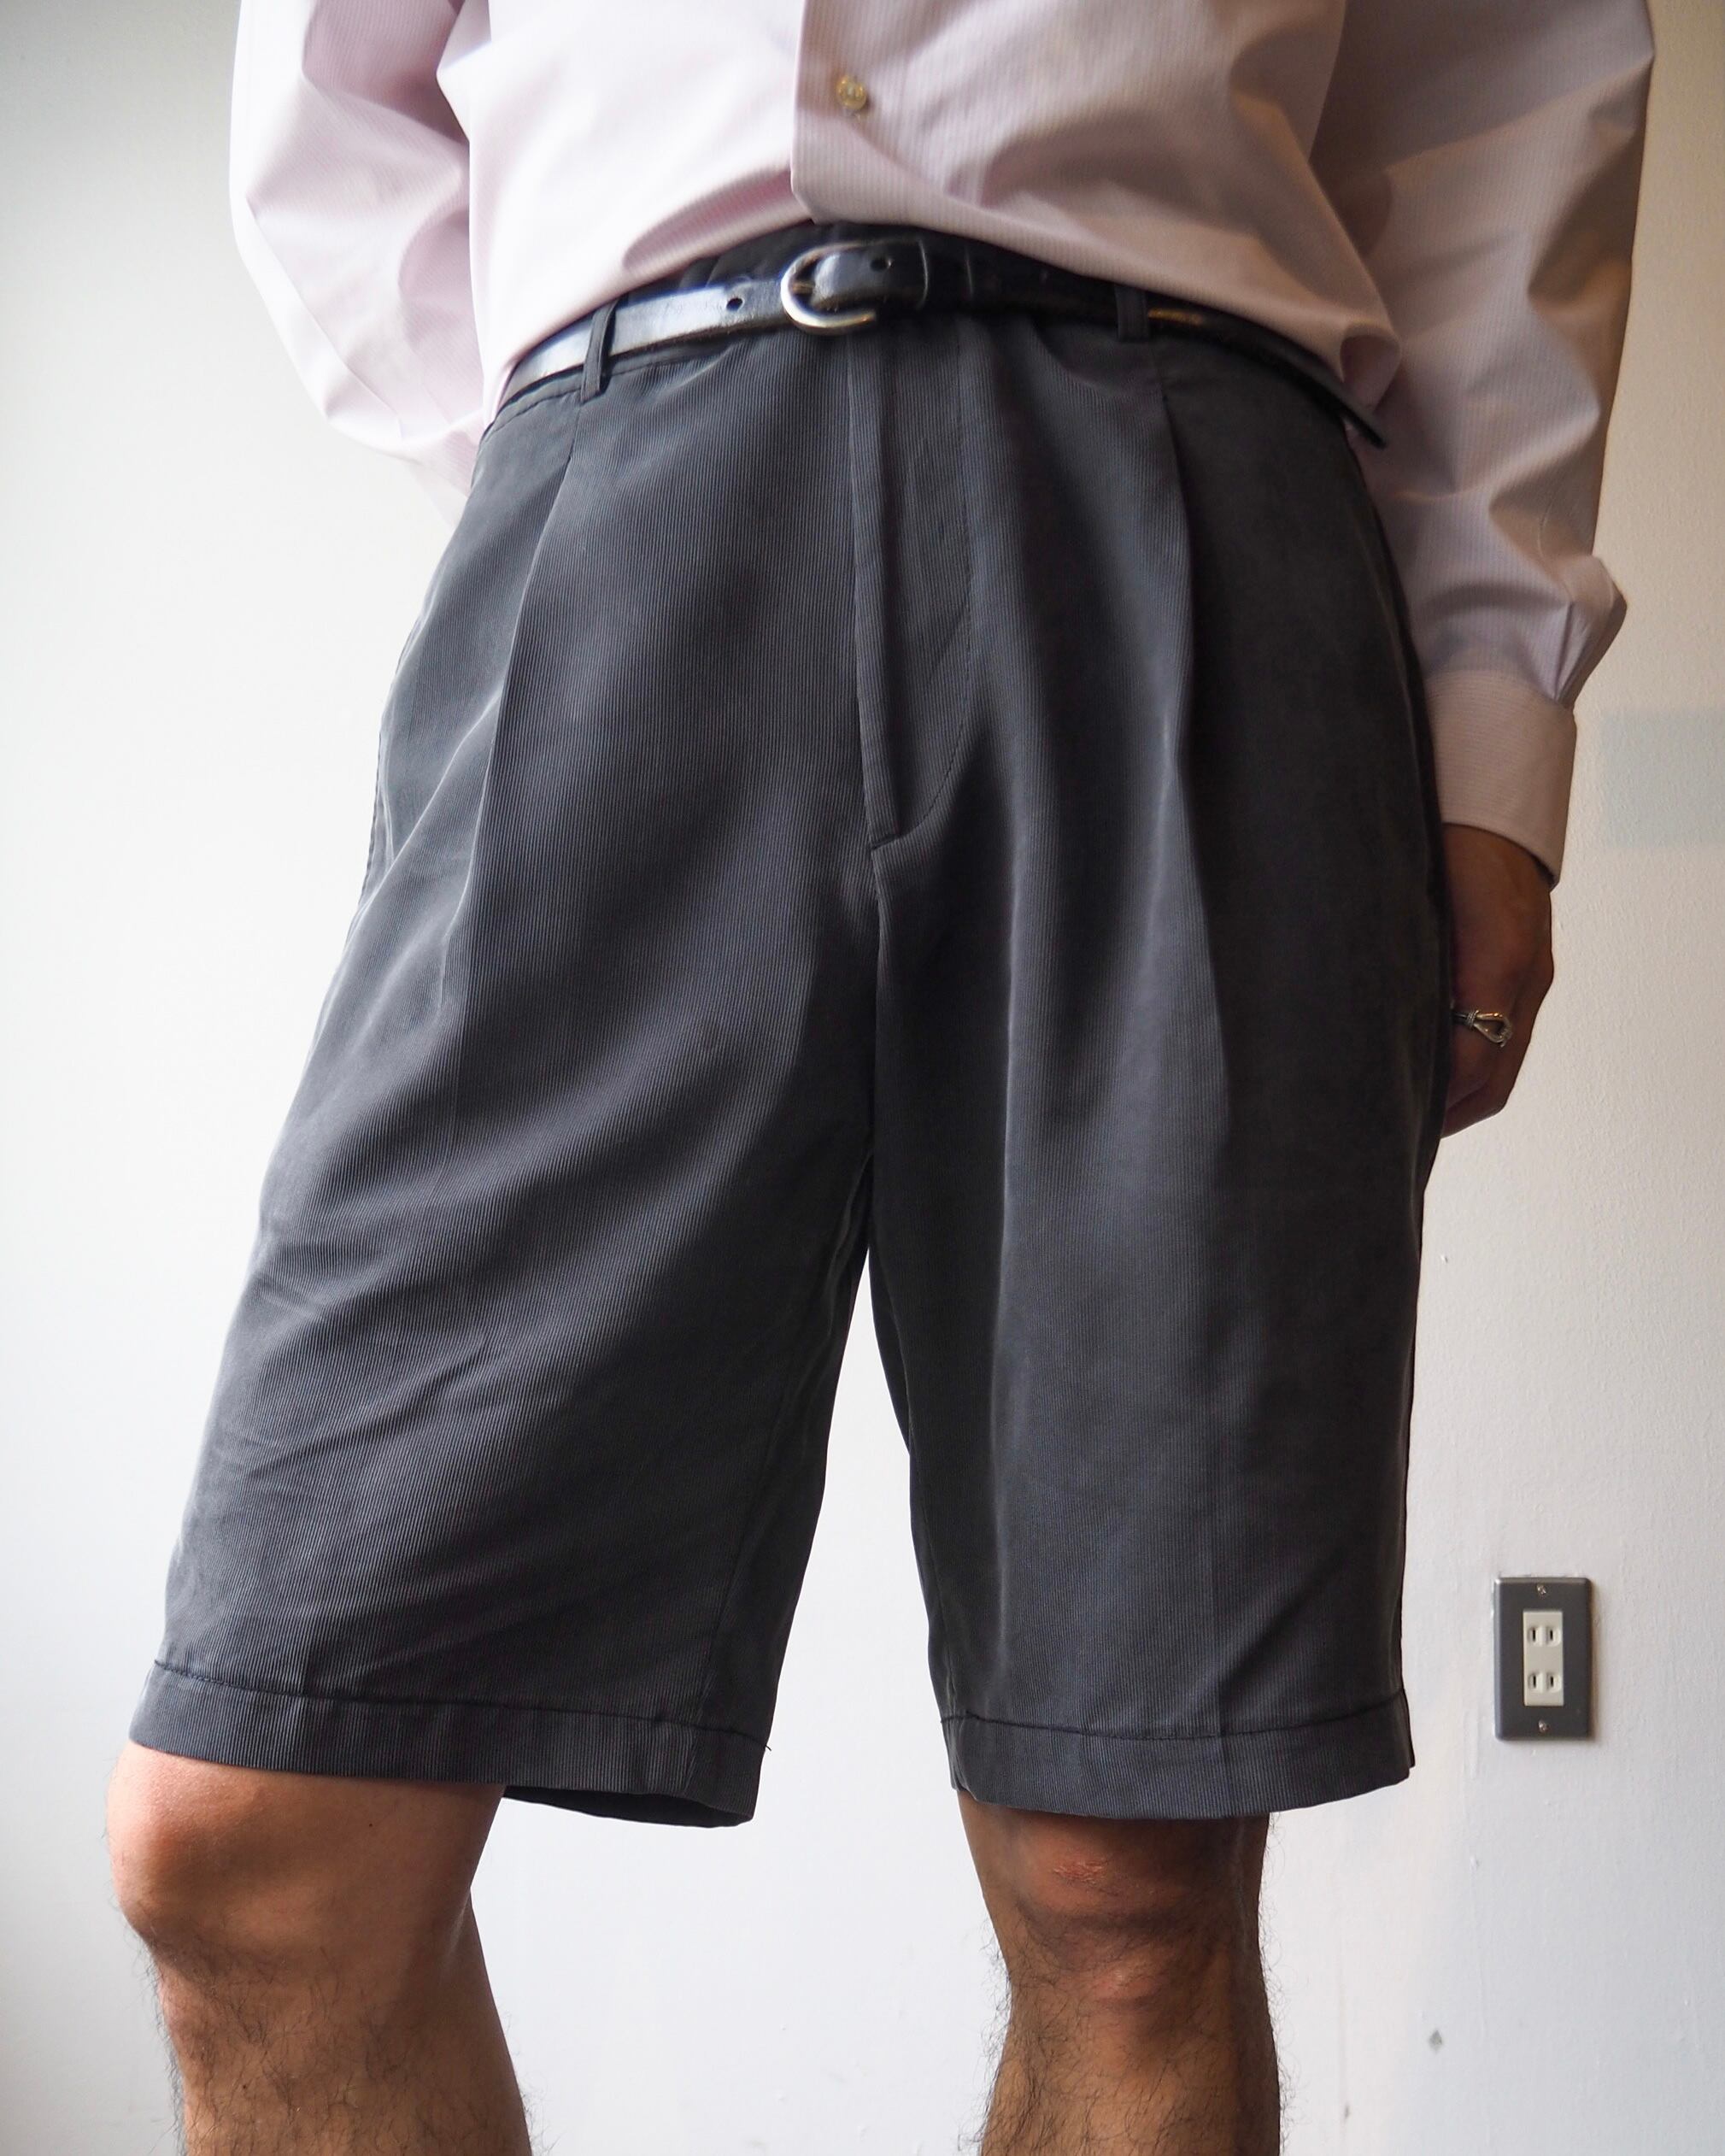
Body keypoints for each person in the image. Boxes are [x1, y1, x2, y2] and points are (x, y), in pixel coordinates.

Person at [105, 3, 1655, 2150]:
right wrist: (600, 454)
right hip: (625, 491)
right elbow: (337, 109)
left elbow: (1500, 89)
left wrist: (1491, 727)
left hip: (1195, 505)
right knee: (254, 1838)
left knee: (1127, 1869)